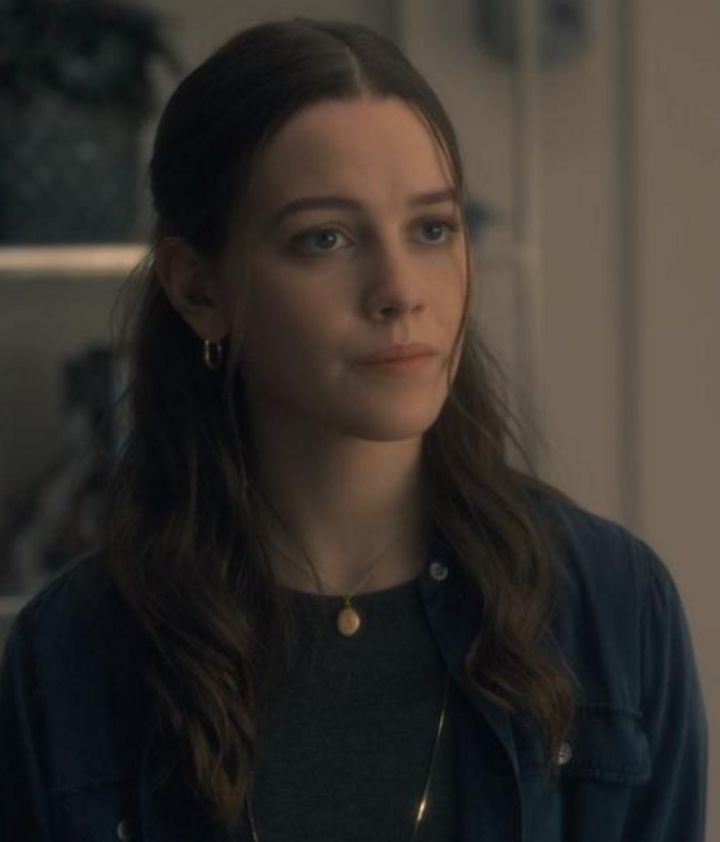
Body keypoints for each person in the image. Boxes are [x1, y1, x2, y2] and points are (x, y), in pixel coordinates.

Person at [0, 17, 708, 842]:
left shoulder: (612, 609)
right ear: (199, 290)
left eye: (432, 229)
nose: (400, 291)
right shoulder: (78, 650)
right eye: (325, 239)